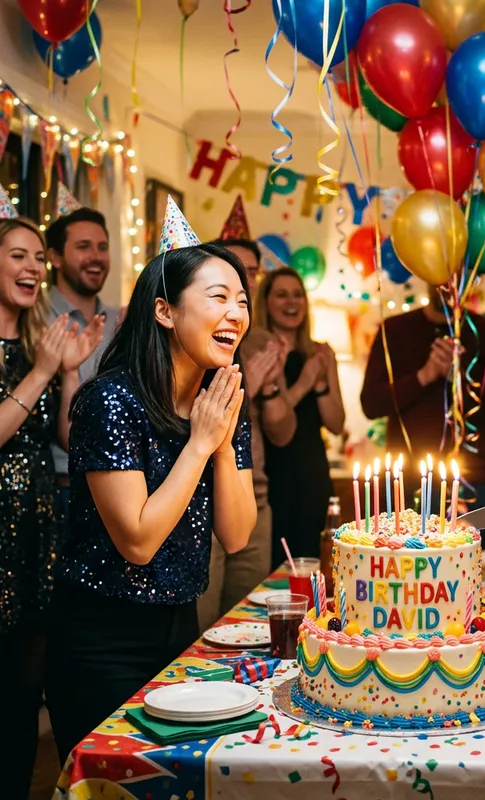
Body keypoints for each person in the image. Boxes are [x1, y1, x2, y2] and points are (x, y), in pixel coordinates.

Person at [45, 240, 257, 764]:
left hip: (181, 628)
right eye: (218, 297)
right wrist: (201, 443)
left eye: (241, 301)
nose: (235, 313)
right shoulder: (110, 400)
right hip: (102, 639)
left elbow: (236, 536)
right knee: (111, 782)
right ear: (164, 310)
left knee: (177, 780)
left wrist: (223, 440)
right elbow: (138, 542)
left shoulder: (220, 400)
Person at [0, 218, 103, 799]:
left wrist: (65, 377)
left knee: (25, 691)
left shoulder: (39, 340)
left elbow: (66, 439)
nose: (34, 268)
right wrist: (43, 371)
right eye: (18, 255)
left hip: (39, 538)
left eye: (39, 257)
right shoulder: (28, 356)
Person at [360, 286, 485, 549]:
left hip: (470, 484)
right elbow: (371, 404)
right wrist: (424, 376)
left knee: (469, 573)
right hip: (404, 483)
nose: (444, 280)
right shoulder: (394, 330)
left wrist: (460, 378)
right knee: (401, 576)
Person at [197, 238, 296, 628]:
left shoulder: (257, 339)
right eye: (236, 268)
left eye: (252, 273)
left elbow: (283, 432)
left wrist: (270, 386)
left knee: (248, 624)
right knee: (203, 623)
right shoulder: (199, 336)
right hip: (200, 500)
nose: (246, 279)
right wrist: (248, 383)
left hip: (254, 494)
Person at [260, 266, 344, 569]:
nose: (291, 302)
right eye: (281, 294)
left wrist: (320, 383)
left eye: (297, 295)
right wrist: (304, 383)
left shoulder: (321, 352)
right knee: (277, 567)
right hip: (275, 474)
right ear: (266, 302)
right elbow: (273, 425)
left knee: (318, 565)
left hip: (314, 477)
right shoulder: (261, 352)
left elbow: (336, 424)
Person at [45, 208, 120, 516]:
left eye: (102, 247)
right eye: (83, 246)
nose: (96, 256)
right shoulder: (35, 318)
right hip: (59, 487)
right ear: (56, 257)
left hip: (120, 485)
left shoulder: (121, 322)